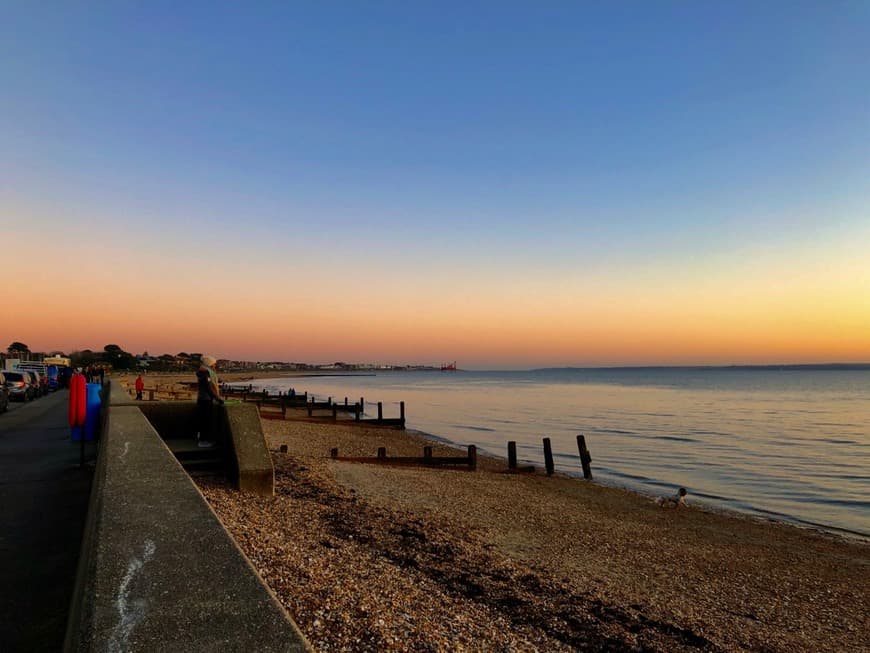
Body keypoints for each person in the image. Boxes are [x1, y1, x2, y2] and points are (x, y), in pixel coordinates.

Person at [196, 355, 224, 448]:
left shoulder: (203, 372)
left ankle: (202, 438)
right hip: (205, 400)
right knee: (205, 421)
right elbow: (209, 388)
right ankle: (203, 441)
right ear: (210, 364)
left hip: (203, 399)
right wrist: (217, 398)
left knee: (203, 420)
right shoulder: (205, 373)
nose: (215, 366)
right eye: (213, 364)